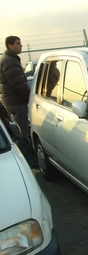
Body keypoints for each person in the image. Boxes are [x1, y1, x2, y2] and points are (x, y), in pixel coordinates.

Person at [0, 35, 37, 168]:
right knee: (22, 134)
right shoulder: (10, 61)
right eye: (18, 43)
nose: (21, 46)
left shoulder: (9, 59)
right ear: (10, 46)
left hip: (12, 101)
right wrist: (31, 98)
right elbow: (18, 84)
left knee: (20, 131)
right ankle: (29, 162)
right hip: (16, 102)